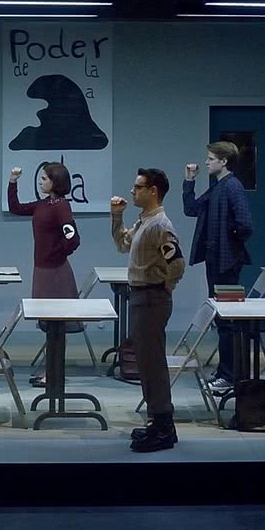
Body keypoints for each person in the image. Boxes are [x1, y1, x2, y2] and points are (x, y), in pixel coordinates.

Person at [110, 168, 186, 453]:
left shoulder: (160, 226)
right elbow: (122, 244)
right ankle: (157, 421)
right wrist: (116, 217)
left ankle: (163, 425)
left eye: (138, 187)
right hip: (141, 297)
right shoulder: (144, 221)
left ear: (153, 191)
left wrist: (165, 286)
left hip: (152, 298)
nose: (132, 191)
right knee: (145, 362)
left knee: (153, 364)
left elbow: (177, 264)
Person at [182, 141, 254, 394]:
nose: (206, 162)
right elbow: (191, 209)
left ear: (224, 162)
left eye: (211, 158)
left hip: (226, 262)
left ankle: (230, 375)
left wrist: (229, 242)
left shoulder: (232, 186)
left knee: (228, 320)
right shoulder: (218, 187)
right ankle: (226, 371)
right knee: (222, 318)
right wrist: (189, 181)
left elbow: (245, 224)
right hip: (216, 260)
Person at [7, 161, 82, 388]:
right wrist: (12, 183)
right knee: (49, 325)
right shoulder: (43, 204)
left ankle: (55, 372)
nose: (40, 182)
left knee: (56, 325)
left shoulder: (61, 206)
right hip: (43, 270)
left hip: (55, 273)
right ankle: (51, 369)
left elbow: (73, 239)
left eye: (44, 179)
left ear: (55, 181)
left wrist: (55, 254)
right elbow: (16, 208)